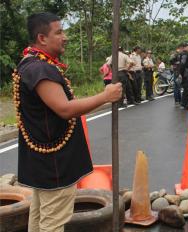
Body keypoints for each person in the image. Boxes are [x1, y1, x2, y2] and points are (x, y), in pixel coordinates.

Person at [14, 12, 122, 232]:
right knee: (52, 223)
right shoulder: (40, 68)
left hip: (42, 160)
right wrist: (105, 96)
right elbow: (64, 109)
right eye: (59, 32)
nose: (65, 37)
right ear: (42, 38)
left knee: (40, 218)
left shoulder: (30, 62)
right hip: (54, 164)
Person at [178, 42, 188, 110]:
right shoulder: (185, 54)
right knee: (187, 89)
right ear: (184, 47)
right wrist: (180, 74)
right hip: (185, 74)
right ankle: (183, 104)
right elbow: (182, 64)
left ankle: (186, 104)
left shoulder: (187, 54)